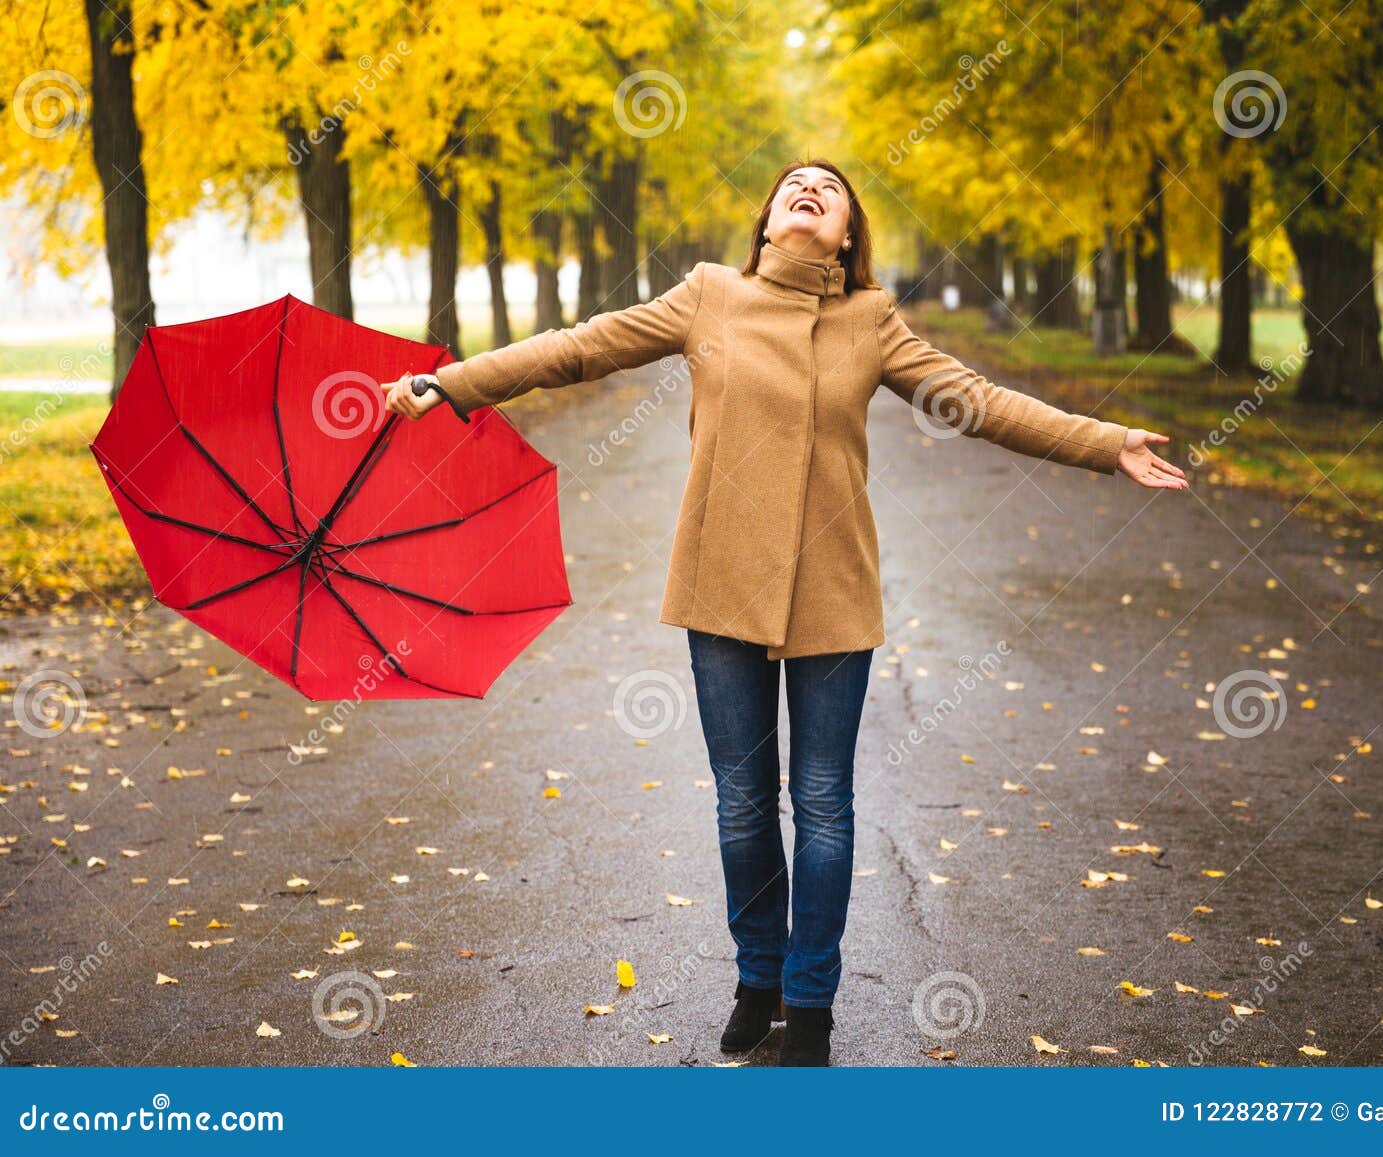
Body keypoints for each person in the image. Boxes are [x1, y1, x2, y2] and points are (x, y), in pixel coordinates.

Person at [383, 158, 1187, 1066]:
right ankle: (756, 978)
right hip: (722, 577)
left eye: (829, 188)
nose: (810, 188)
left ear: (846, 235)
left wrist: (1106, 441)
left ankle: (810, 1006)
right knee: (741, 802)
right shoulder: (709, 296)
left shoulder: (871, 322)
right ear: (767, 221)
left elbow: (983, 403)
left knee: (824, 803)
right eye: (794, 183)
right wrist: (453, 384)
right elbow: (580, 345)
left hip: (833, 590)